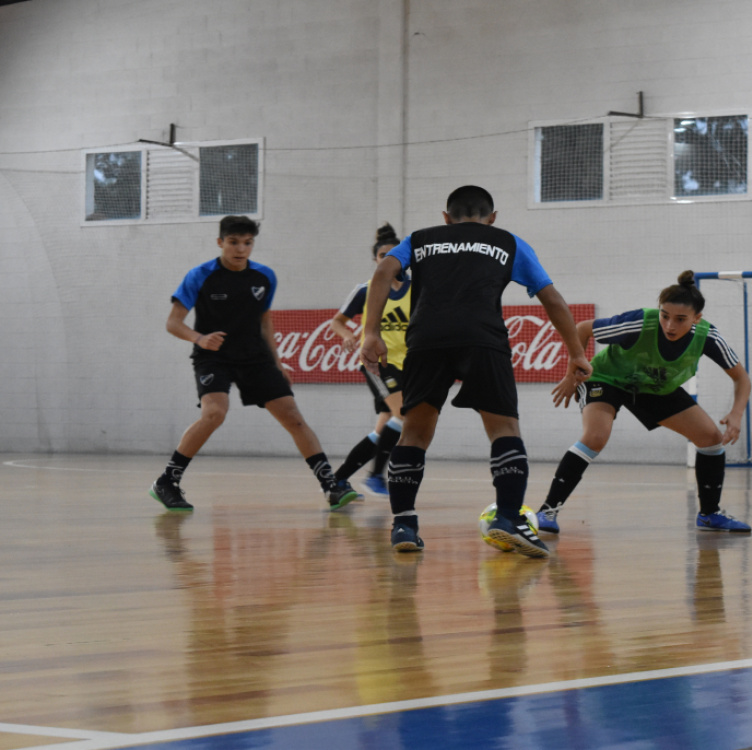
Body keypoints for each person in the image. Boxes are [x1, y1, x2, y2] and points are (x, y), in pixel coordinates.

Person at [360, 185, 592, 558]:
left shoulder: (420, 239)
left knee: (414, 431)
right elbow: (551, 298)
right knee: (504, 429)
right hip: (482, 338)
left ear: (446, 217)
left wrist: (370, 332)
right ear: (492, 217)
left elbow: (385, 269)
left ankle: (404, 524)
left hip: (426, 339)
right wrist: (576, 353)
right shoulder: (508, 242)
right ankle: (508, 518)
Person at [149, 215, 355, 512]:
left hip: (255, 358)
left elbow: (265, 322)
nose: (241, 249)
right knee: (215, 413)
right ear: (220, 242)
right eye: (233, 242)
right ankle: (167, 481)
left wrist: (278, 363)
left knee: (294, 418)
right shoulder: (200, 275)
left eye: (247, 243)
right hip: (213, 357)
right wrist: (199, 338)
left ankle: (331, 487)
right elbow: (173, 323)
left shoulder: (265, 277)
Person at [538, 271, 752, 534]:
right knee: (595, 436)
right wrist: (572, 374)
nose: (670, 325)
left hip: (655, 388)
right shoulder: (639, 323)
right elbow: (583, 329)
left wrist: (736, 413)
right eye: (665, 315)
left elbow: (742, 378)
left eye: (680, 319)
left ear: (697, 318)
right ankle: (547, 511)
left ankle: (710, 514)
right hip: (608, 379)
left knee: (710, 438)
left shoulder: (708, 337)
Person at [326, 223, 411, 497]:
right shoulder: (366, 290)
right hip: (378, 364)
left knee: (383, 430)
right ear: (376, 260)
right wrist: (347, 335)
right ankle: (375, 476)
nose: (387, 260)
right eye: (382, 256)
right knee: (403, 414)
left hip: (408, 365)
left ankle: (338, 481)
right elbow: (336, 322)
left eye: (393, 255)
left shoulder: (418, 289)